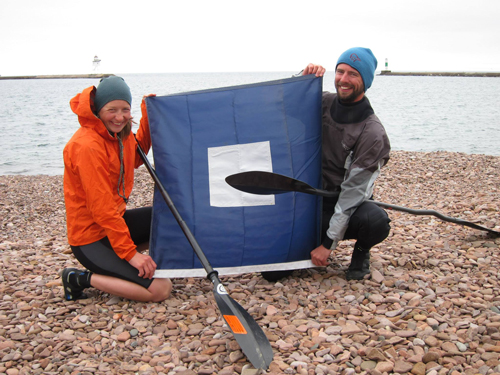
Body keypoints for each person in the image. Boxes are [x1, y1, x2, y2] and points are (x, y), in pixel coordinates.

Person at [262, 47, 391, 282]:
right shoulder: (321, 103)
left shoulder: (373, 133)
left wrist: (327, 244)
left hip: (344, 205)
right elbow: (280, 103)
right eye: (340, 71)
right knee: (271, 274)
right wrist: (302, 80)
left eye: (353, 74)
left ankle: (361, 252)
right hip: (308, 203)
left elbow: (353, 194)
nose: (343, 79)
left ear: (366, 81)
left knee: (376, 221)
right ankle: (302, 240)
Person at [61, 76, 172, 302]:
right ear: (98, 109)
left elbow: (135, 155)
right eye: (112, 109)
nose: (120, 117)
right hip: (90, 239)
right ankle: (79, 278)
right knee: (161, 289)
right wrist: (130, 255)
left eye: (125, 109)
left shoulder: (117, 136)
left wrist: (148, 115)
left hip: (112, 227)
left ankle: (121, 265)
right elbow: (102, 210)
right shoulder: (86, 146)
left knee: (167, 219)